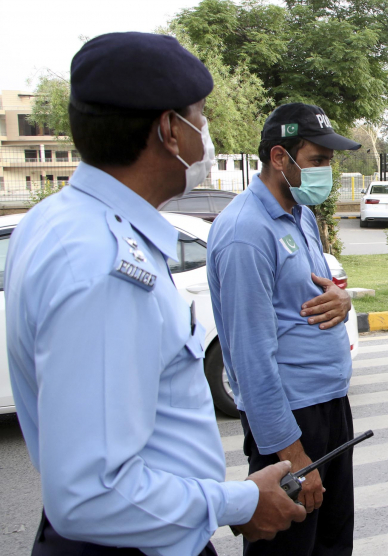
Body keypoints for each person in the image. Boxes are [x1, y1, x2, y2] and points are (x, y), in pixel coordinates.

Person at [4, 32, 306, 556]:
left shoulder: (60, 221)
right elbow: (92, 494)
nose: (207, 133)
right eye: (202, 115)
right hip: (131, 546)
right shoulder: (104, 266)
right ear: (171, 129)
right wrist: (238, 502)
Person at [207, 103, 361, 556]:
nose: (327, 172)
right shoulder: (245, 233)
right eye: (317, 161)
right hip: (293, 424)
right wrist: (293, 457)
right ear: (280, 158)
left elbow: (309, 293)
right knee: (290, 550)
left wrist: (342, 297)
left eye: (330, 162)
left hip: (331, 408)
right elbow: (250, 362)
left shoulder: (301, 215)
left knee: (332, 544)